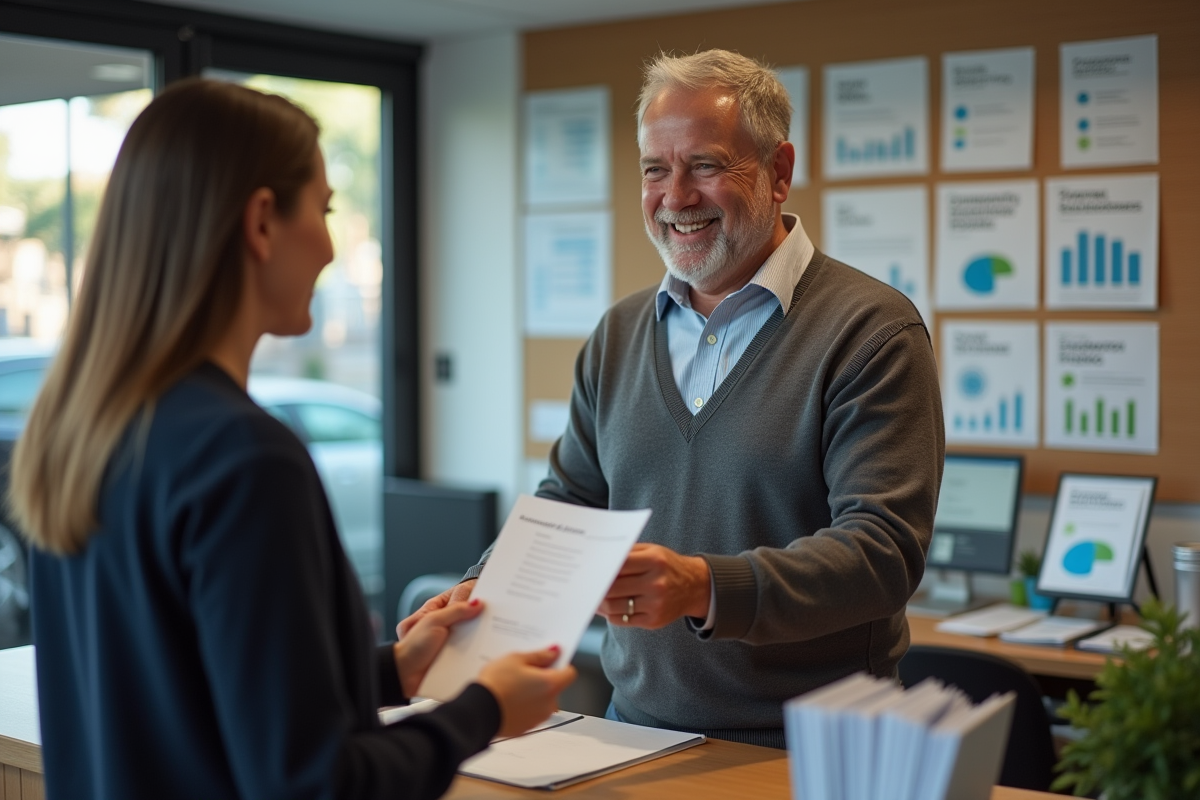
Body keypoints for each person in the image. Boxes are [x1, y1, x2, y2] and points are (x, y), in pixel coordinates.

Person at [8, 79, 574, 800]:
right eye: (326, 208)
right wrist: (483, 710)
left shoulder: (76, 436)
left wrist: (390, 671)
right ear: (263, 221)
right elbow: (312, 784)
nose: (333, 246)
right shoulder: (244, 458)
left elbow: (188, 694)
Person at [407, 49, 944, 748]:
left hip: (816, 747)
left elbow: (883, 553)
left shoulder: (870, 330)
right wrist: (476, 594)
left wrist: (703, 587)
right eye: (655, 170)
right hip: (638, 733)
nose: (676, 197)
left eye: (707, 166)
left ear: (779, 173)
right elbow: (569, 505)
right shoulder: (620, 333)